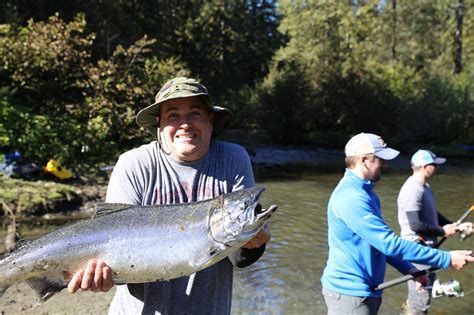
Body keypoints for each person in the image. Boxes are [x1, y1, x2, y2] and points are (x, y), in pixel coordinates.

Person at [66, 77, 270, 314]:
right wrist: (103, 274)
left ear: (211, 120)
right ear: (159, 124)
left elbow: (239, 258)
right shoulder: (134, 164)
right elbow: (114, 245)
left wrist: (252, 244)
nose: (185, 124)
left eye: (195, 113)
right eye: (173, 115)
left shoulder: (233, 159)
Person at [320, 132, 474, 315]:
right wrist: (446, 259)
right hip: (349, 294)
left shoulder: (367, 194)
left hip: (366, 291)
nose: (385, 164)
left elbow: (379, 244)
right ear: (363, 160)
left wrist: (411, 270)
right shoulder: (352, 197)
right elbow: (389, 244)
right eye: (380, 159)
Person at [397, 149, 473, 315]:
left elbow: (433, 215)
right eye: (435, 165)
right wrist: (442, 231)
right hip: (417, 249)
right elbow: (416, 225)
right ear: (424, 166)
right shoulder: (412, 189)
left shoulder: (425, 187)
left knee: (425, 294)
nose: (437, 168)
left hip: (428, 249)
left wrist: (456, 226)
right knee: (419, 303)